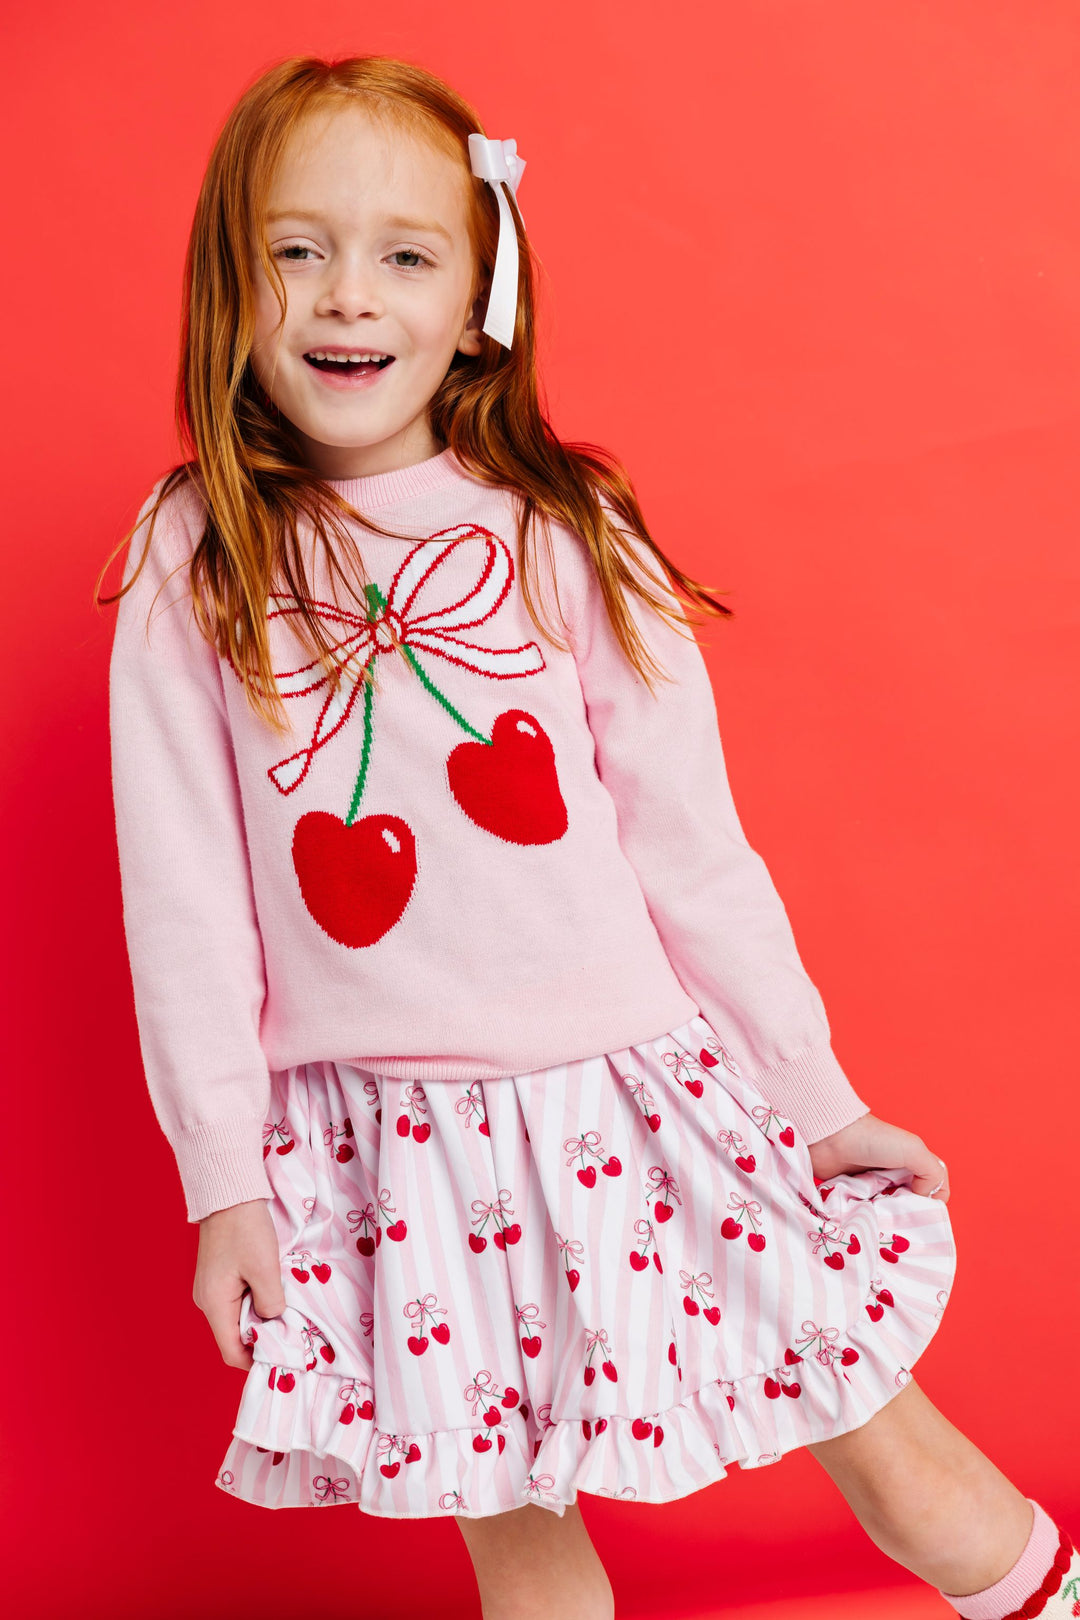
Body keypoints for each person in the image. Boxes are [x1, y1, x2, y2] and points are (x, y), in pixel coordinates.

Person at [98, 52, 1075, 1620]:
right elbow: (186, 901)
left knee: (904, 1467)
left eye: (406, 254)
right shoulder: (190, 555)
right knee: (525, 1551)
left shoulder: (562, 526)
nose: (350, 295)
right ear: (235, 278)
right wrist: (226, 1179)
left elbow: (695, 851)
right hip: (395, 1150)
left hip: (640, 1100)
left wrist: (812, 1096)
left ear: (484, 284)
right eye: (299, 248)